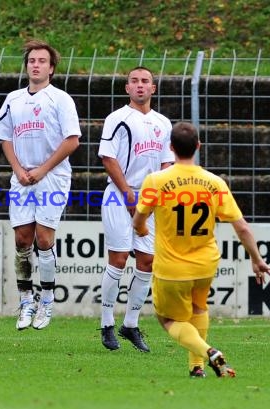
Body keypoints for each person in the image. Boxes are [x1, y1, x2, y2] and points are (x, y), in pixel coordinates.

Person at [133, 121, 270, 377]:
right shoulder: (214, 183)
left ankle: (208, 352)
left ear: (171, 148)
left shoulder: (156, 181)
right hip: (205, 264)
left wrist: (141, 229)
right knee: (199, 309)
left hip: (172, 267)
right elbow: (242, 227)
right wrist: (256, 259)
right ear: (198, 146)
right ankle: (196, 368)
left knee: (168, 319)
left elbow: (139, 217)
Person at [0, 39, 81, 330]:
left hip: (52, 177)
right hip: (22, 177)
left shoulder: (61, 99)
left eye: (42, 61)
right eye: (32, 61)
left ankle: (46, 302)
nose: (36, 65)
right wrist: (17, 168)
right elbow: (4, 136)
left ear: (51, 68)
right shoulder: (13, 99)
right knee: (21, 240)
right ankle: (26, 300)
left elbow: (72, 141)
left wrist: (42, 170)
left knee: (44, 239)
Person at [98, 66, 174, 352]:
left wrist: (152, 196)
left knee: (147, 262)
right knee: (118, 259)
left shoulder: (163, 123)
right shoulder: (117, 118)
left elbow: (167, 162)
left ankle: (130, 324)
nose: (139, 85)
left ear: (153, 88)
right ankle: (106, 323)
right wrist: (129, 195)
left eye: (145, 81)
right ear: (127, 88)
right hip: (120, 196)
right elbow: (108, 158)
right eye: (134, 81)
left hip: (150, 199)